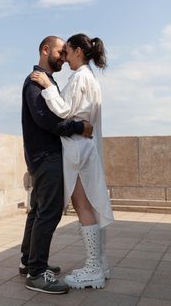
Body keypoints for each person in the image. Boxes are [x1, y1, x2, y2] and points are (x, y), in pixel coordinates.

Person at [30, 33, 114, 290]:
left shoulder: (79, 78)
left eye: (66, 52)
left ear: (78, 51)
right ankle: (99, 264)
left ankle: (93, 268)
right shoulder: (91, 79)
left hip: (77, 150)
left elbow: (64, 111)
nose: (64, 59)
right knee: (89, 205)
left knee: (83, 207)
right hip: (85, 148)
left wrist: (47, 86)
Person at [20, 35, 93, 294]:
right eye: (60, 53)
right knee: (49, 213)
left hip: (43, 155)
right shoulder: (35, 82)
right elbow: (45, 121)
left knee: (38, 210)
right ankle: (37, 273)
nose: (64, 58)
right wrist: (79, 127)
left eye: (66, 54)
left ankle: (29, 261)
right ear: (45, 50)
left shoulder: (47, 82)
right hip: (45, 156)